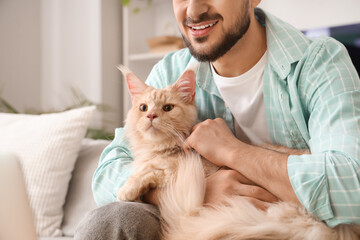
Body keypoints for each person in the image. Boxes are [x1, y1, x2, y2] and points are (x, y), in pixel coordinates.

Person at [75, 0, 360, 239]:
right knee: (111, 220)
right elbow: (107, 173)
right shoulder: (171, 72)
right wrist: (191, 192)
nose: (193, 10)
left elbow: (353, 186)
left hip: (287, 219)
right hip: (200, 212)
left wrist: (232, 151)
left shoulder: (321, 62)